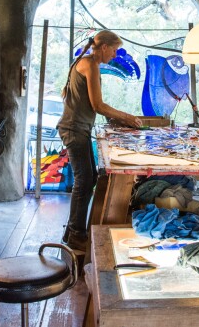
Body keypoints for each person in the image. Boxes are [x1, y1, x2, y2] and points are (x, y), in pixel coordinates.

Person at [57, 31, 142, 251]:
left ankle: (73, 230)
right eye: (114, 51)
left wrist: (119, 120)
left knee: (90, 177)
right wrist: (127, 117)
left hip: (78, 128)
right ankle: (76, 234)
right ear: (103, 47)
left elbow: (95, 105)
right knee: (84, 180)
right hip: (73, 128)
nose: (114, 56)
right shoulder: (89, 64)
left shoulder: (88, 63)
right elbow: (98, 105)